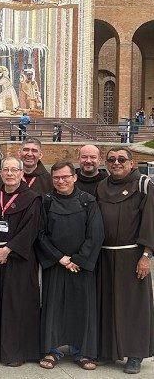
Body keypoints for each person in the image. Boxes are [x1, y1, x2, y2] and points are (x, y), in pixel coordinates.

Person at [37, 161, 104, 371]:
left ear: (74, 177)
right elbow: (40, 234)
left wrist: (78, 259)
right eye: (56, 178)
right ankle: (52, 350)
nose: (61, 181)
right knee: (53, 307)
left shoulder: (88, 201)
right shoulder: (46, 202)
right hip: (56, 263)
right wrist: (60, 258)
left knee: (81, 308)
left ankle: (81, 351)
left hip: (80, 265)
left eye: (65, 177)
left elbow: (96, 234)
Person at [96, 148, 154, 374]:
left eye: (121, 159)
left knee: (133, 307)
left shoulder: (144, 185)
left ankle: (135, 353)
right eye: (111, 160)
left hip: (132, 255)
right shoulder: (102, 185)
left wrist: (147, 255)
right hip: (105, 254)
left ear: (132, 163)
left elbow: (151, 221)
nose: (116, 163)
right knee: (107, 303)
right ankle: (110, 350)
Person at [0, 157, 42, 366]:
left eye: (14, 170)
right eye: (6, 170)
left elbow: (31, 228)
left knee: (17, 304)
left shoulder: (33, 198)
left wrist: (8, 249)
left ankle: (17, 352)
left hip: (19, 259)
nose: (9, 174)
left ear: (21, 174)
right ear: (0, 172)